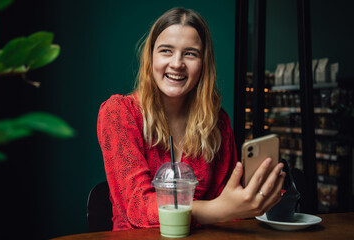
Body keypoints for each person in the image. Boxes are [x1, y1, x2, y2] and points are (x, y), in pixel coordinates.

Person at [97, 7, 286, 231]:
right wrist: (219, 209)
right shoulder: (119, 112)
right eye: (166, 51)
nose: (177, 63)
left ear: (204, 64)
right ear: (150, 57)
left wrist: (257, 198)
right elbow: (138, 209)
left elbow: (229, 204)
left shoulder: (218, 122)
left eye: (190, 53)